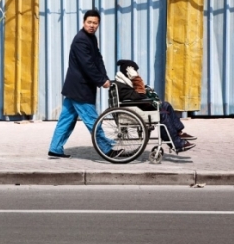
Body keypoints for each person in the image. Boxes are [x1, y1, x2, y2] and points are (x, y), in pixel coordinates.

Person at [48, 9, 119, 159]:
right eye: (89, 22)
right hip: (80, 88)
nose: (92, 25)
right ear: (83, 22)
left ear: (98, 24)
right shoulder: (81, 39)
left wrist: (105, 77)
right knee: (93, 120)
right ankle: (106, 149)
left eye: (95, 23)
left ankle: (55, 148)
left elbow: (97, 59)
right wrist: (101, 81)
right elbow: (87, 65)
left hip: (76, 88)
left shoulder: (91, 38)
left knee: (66, 120)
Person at [114, 59, 196, 153]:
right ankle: (177, 144)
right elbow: (140, 94)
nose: (137, 73)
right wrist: (136, 78)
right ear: (128, 72)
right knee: (162, 115)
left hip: (138, 107)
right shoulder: (122, 86)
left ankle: (178, 132)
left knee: (166, 105)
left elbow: (139, 95)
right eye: (135, 71)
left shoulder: (125, 83)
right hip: (135, 111)